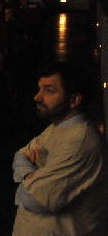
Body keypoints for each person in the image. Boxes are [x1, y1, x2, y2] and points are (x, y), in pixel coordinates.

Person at [12, 63, 108, 236]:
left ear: (74, 100)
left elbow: (32, 199)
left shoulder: (79, 143)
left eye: (49, 91)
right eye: (39, 89)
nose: (37, 97)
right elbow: (20, 155)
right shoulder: (58, 127)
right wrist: (34, 176)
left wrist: (26, 176)